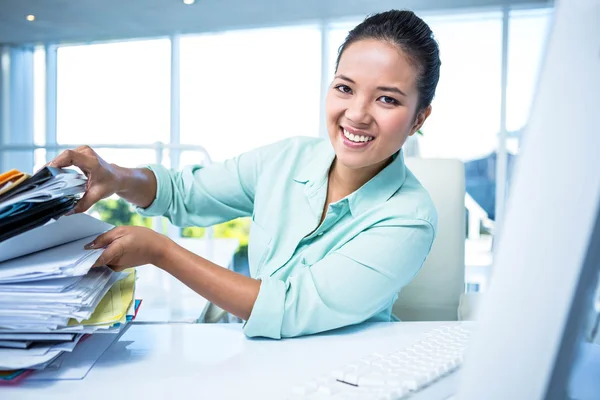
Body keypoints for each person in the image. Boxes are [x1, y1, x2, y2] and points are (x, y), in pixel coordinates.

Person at [49, 9, 440, 339]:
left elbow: (288, 308)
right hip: (250, 358)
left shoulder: (410, 218)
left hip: (343, 374)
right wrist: (115, 177)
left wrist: (161, 251)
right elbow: (184, 193)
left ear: (419, 118)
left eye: (387, 99)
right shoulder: (288, 158)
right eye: (344, 88)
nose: (356, 113)